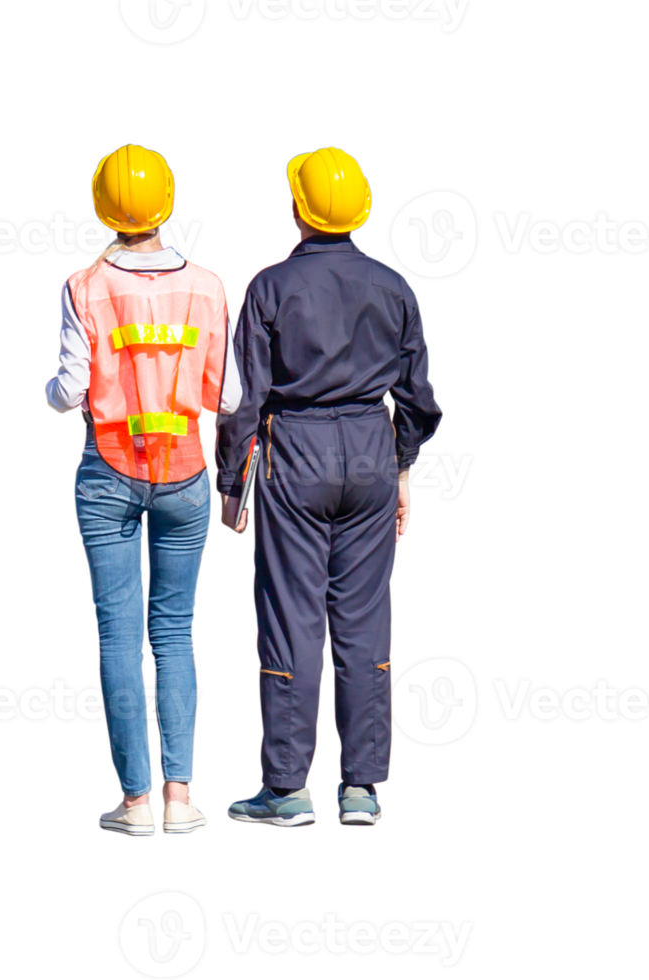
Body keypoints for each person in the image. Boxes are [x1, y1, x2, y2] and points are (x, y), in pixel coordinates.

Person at [215, 145, 444, 829]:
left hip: (296, 453)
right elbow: (423, 401)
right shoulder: (397, 286)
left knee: (292, 620)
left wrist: (233, 486)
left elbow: (242, 401)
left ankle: (286, 789)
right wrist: (398, 466)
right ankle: (363, 790)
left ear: (296, 208)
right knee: (367, 622)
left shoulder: (269, 286)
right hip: (372, 454)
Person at [44, 144, 241, 837]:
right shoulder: (211, 288)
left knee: (120, 638)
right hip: (187, 472)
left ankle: (133, 806)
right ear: (169, 204)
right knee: (177, 633)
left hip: (107, 472)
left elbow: (67, 393)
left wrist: (49, 391)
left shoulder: (82, 288)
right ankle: (182, 798)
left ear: (101, 209)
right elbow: (232, 394)